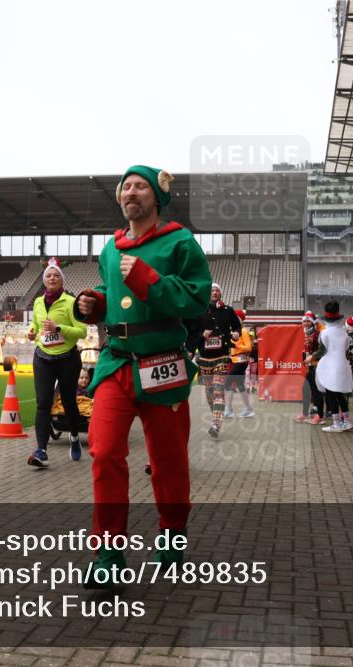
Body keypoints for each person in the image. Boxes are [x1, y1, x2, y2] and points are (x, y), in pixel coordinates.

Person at [73, 164, 211, 587]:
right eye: (126, 186)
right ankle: (109, 552)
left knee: (168, 461)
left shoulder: (180, 242)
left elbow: (196, 298)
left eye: (140, 186)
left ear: (157, 198)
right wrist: (97, 302)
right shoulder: (111, 249)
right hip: (117, 362)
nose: (131, 192)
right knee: (104, 451)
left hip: (163, 364)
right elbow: (113, 291)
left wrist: (150, 280)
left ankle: (172, 534)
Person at [26, 259, 87, 466]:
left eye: (56, 275)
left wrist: (58, 328)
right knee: (43, 404)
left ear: (62, 279)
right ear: (44, 280)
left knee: (69, 402)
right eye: (49, 275)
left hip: (67, 359)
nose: (52, 278)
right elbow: (35, 326)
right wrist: (32, 333)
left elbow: (82, 331)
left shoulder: (71, 302)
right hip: (43, 358)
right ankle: (41, 450)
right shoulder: (37, 302)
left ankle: (75, 437)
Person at [193, 284, 242, 438]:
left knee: (218, 389)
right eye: (212, 290)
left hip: (222, 356)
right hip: (205, 358)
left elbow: (237, 327)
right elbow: (192, 332)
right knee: (209, 393)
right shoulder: (199, 311)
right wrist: (202, 335)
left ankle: (216, 424)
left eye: (217, 290)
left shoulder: (228, 310)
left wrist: (235, 333)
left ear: (221, 293)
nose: (214, 292)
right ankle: (216, 415)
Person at [313, 301, 353, 432]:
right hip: (343, 365)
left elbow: (321, 350)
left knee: (330, 394)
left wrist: (311, 357)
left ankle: (336, 424)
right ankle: (346, 421)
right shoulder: (344, 333)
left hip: (330, 366)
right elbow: (346, 349)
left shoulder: (324, 333)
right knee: (340, 394)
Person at [294, 311, 326, 424]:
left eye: (308, 321)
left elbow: (322, 350)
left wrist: (312, 357)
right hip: (310, 366)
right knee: (306, 388)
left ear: (313, 322)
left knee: (317, 391)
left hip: (317, 366)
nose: (306, 323)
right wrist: (306, 356)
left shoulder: (318, 333)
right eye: (304, 321)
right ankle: (305, 413)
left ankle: (319, 416)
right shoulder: (307, 333)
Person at [225, 309, 255, 418]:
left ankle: (229, 410)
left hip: (241, 362)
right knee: (240, 386)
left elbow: (249, 347)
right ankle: (248, 409)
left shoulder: (243, 331)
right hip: (236, 361)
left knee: (227, 383)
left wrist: (236, 346)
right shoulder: (235, 332)